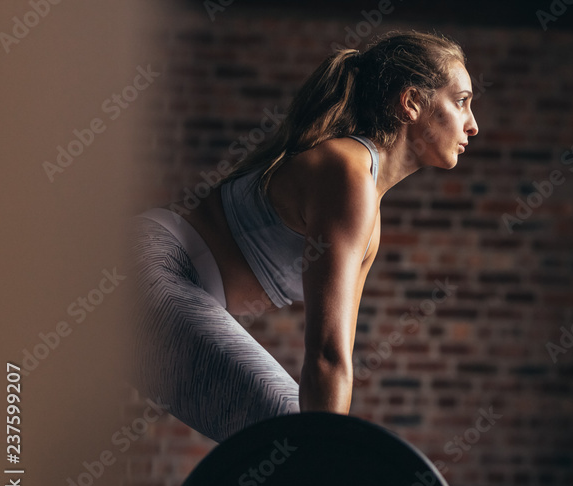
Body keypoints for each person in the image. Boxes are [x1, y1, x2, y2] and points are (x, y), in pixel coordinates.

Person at [126, 31, 479, 442]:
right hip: (146, 269)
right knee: (295, 445)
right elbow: (326, 357)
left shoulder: (368, 212)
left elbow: (337, 357)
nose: (473, 125)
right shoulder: (348, 173)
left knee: (298, 450)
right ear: (411, 103)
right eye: (461, 102)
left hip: (172, 283)